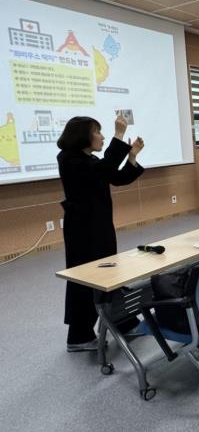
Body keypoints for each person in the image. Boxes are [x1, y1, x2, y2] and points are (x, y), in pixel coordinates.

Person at [58, 115, 145, 352]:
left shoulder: (90, 159)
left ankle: (124, 322)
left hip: (98, 226)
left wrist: (132, 158)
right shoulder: (69, 159)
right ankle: (79, 337)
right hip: (83, 231)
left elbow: (116, 178)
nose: (103, 137)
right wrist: (119, 134)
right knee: (86, 280)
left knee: (108, 274)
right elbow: (104, 168)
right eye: (98, 132)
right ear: (82, 136)